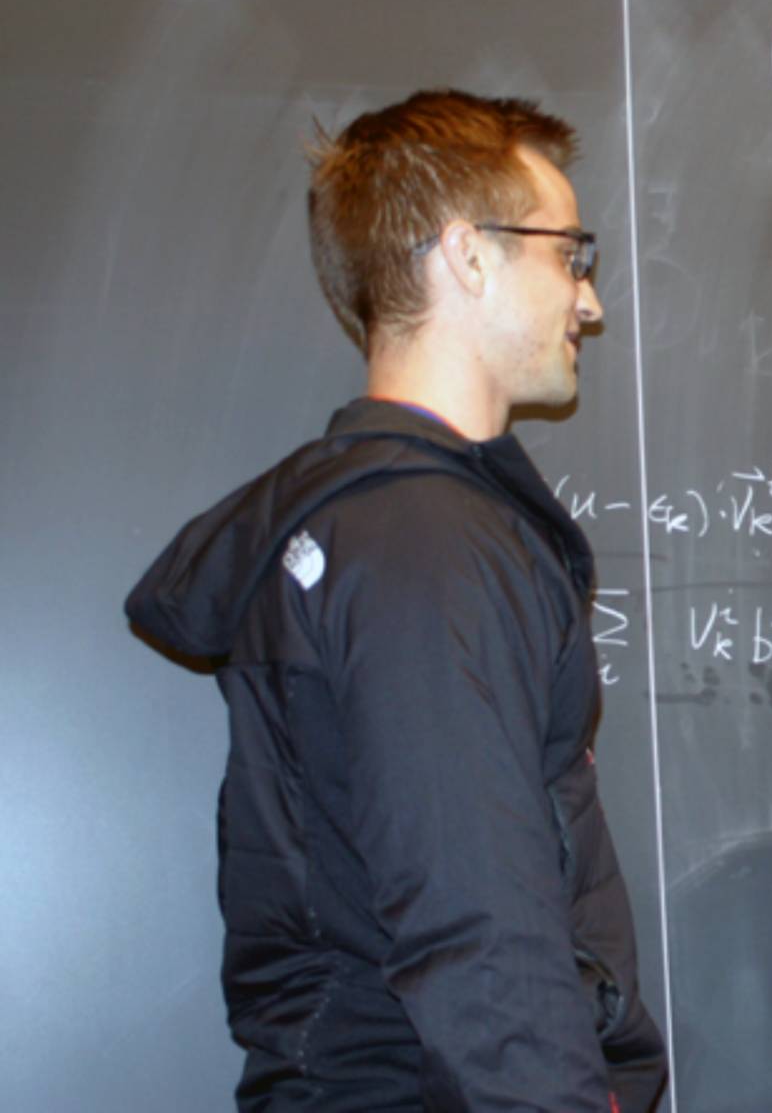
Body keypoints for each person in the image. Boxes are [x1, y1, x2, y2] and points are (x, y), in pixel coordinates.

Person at [125, 90, 667, 1112]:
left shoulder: (371, 530)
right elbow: (481, 928)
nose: (587, 302)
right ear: (469, 255)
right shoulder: (426, 543)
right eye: (570, 255)